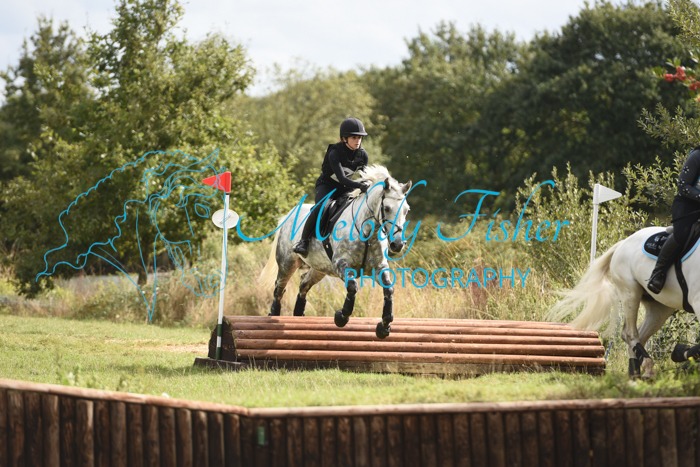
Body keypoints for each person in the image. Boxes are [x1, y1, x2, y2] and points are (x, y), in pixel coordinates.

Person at [293, 117, 372, 257]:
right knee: (321, 206)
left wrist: (368, 185)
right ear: (344, 139)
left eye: (360, 137)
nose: (358, 141)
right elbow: (342, 178)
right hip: (327, 185)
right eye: (354, 137)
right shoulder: (334, 152)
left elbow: (363, 176)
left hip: (345, 188)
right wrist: (360, 185)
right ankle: (303, 241)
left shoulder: (362, 155)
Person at [647, 146, 700, 293]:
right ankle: (658, 272)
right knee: (682, 234)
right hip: (687, 205)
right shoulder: (697, 156)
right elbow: (683, 186)